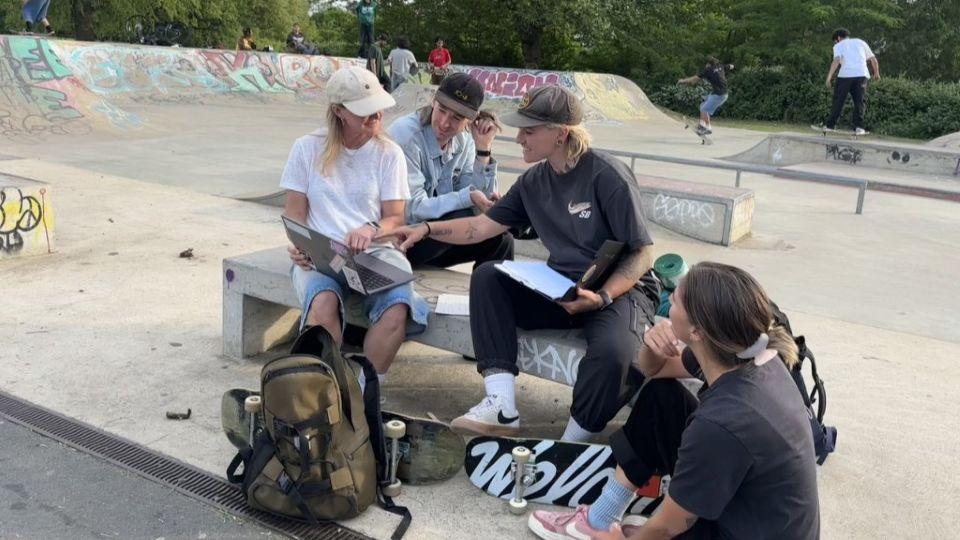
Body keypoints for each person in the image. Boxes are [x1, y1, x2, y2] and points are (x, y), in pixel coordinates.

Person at [383, 85, 661, 440]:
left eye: (528, 131)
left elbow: (642, 253)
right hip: (565, 287)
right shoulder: (534, 181)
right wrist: (424, 228)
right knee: (488, 278)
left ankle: (572, 441)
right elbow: (481, 227)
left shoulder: (607, 175)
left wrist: (604, 296)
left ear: (560, 134)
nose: (518, 139)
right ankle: (501, 405)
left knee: (615, 355)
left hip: (621, 291)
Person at [527, 262, 820, 540]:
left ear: (697, 331)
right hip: (752, 514)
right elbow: (655, 371)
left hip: (745, 531)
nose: (668, 304)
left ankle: (601, 529)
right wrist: (652, 346)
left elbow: (667, 527)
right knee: (662, 398)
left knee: (659, 527)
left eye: (675, 301)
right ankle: (600, 518)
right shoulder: (748, 352)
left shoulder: (723, 422)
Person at [281, 66, 428, 379]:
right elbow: (294, 213)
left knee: (397, 305)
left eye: (377, 107)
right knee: (322, 304)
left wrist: (370, 230)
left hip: (374, 251)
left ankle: (365, 391)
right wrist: (298, 245)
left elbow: (395, 218)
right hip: (321, 255)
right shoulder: (307, 148)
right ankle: (326, 392)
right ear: (338, 111)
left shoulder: (389, 153)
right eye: (365, 111)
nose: (375, 116)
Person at [387, 72, 513, 269]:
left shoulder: (466, 139)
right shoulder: (406, 136)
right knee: (464, 215)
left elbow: (481, 202)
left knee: (501, 237)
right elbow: (411, 210)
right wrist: (467, 198)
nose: (445, 123)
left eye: (457, 118)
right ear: (433, 101)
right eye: (442, 110)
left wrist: (483, 150)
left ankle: (492, 296)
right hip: (402, 240)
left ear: (470, 121)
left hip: (437, 237)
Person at [819, 28, 880, 135]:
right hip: (861, 74)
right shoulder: (861, 42)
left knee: (838, 100)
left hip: (845, 75)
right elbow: (873, 59)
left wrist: (829, 77)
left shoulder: (838, 45)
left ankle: (830, 125)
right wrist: (876, 73)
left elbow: (836, 60)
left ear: (838, 38)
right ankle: (859, 127)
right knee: (859, 101)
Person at [678, 57, 733, 136]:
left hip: (719, 95)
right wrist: (732, 66)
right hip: (723, 94)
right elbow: (730, 66)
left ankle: (708, 128)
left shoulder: (708, 70)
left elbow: (694, 78)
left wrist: (683, 81)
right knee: (703, 105)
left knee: (704, 109)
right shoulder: (720, 66)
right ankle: (702, 125)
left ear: (708, 64)